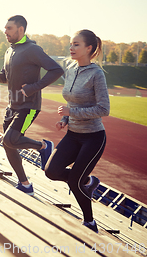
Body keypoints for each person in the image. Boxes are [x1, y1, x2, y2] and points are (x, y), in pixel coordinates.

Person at [0, 15, 64, 196]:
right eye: (5, 28)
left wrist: (33, 88)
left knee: (10, 139)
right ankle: (25, 184)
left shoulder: (32, 49)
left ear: (21, 30)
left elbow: (56, 70)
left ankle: (44, 146)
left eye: (9, 28)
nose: (5, 31)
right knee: (8, 144)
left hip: (28, 106)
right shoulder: (9, 51)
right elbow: (6, 78)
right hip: (12, 106)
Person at [45, 30, 109, 233]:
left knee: (74, 181)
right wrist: (65, 118)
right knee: (51, 171)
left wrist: (71, 112)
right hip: (73, 134)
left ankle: (90, 222)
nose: (71, 48)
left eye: (76, 44)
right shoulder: (71, 70)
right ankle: (88, 182)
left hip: (93, 138)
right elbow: (71, 100)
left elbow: (103, 109)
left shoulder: (96, 74)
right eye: (71, 44)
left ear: (89, 48)